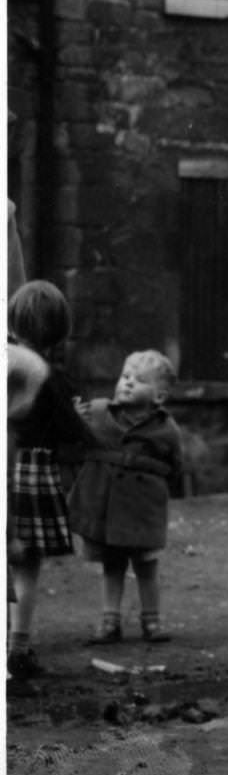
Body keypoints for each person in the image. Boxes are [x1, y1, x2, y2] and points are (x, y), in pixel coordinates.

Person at [67, 349, 186, 645]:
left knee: (146, 564)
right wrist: (71, 417)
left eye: (139, 380)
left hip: (143, 508)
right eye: (125, 376)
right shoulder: (97, 413)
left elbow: (176, 465)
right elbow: (71, 438)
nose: (128, 382)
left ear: (159, 397)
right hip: (105, 506)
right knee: (112, 563)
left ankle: (152, 620)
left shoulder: (166, 429)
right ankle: (110, 621)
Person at [7, 283, 88, 683]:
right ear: (60, 330)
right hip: (32, 476)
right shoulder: (54, 381)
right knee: (26, 569)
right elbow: (73, 433)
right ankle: (17, 648)